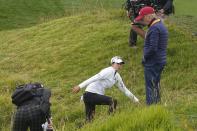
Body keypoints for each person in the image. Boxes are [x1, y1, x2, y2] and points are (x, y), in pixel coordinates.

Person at [72, 56, 139, 122]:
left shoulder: (117, 76)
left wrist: (136, 100)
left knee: (89, 121)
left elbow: (124, 90)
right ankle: (109, 121)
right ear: (112, 64)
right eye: (117, 63)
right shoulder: (108, 71)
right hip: (90, 94)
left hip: (91, 96)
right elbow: (94, 77)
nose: (119, 65)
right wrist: (79, 86)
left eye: (121, 63)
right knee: (112, 101)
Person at [131, 7, 168, 105]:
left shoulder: (154, 28)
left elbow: (152, 48)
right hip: (159, 60)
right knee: (155, 84)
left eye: (142, 18)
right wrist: (137, 26)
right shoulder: (159, 25)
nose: (142, 21)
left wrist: (144, 57)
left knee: (150, 86)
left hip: (153, 62)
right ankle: (156, 105)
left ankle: (151, 107)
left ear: (148, 16)